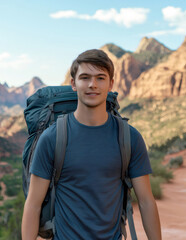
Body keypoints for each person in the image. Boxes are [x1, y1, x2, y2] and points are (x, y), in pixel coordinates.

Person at [22, 49, 161, 240]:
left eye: (100, 78)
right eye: (85, 77)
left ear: (111, 84)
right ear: (73, 83)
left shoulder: (129, 137)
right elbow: (33, 204)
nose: (92, 85)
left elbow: (146, 201)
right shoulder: (52, 138)